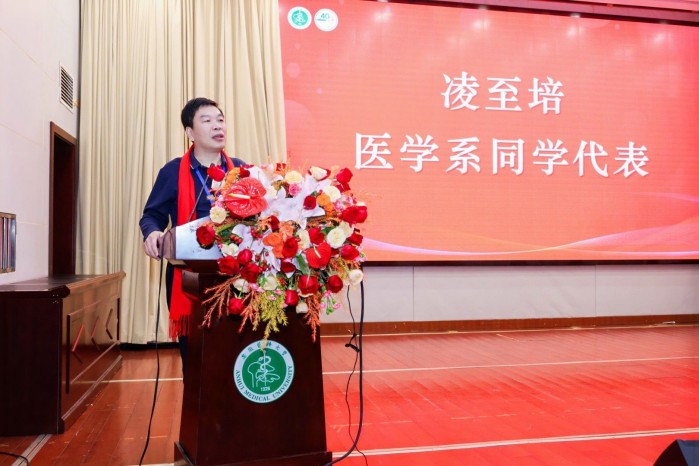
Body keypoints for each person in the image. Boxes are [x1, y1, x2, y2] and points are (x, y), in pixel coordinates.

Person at [139, 97, 246, 374]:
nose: (217, 126)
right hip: (189, 276)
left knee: (236, 351)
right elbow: (152, 215)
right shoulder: (173, 171)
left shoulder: (241, 171)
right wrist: (152, 232)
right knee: (197, 358)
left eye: (220, 119)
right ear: (190, 132)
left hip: (236, 274)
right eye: (207, 120)